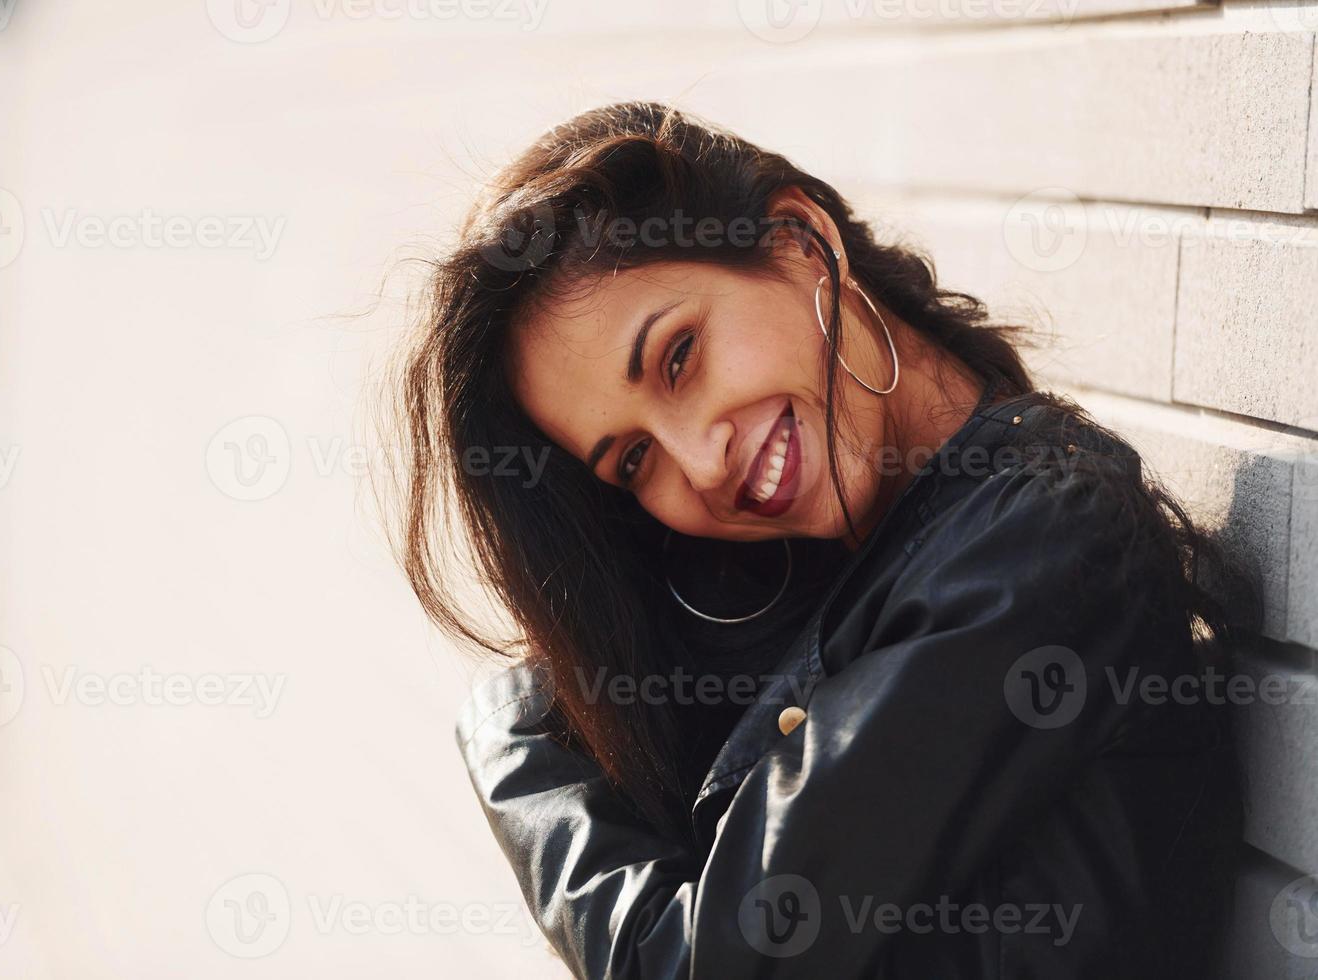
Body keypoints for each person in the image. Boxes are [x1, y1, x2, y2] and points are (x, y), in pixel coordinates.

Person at [379, 101, 1257, 978]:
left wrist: (513, 742)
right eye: (635, 459)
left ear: (801, 241)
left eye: (678, 356)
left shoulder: (1040, 545)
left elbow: (710, 964)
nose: (701, 461)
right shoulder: (818, 582)